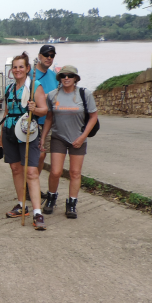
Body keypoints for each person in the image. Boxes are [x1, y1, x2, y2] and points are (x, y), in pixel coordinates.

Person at [0, 52, 49, 230]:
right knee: (15, 169)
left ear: (27, 68)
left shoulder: (34, 86)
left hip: (27, 133)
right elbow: (6, 113)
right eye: (15, 67)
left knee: (31, 172)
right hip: (10, 131)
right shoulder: (9, 88)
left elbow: (44, 110)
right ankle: (21, 205)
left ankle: (37, 212)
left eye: (21, 67)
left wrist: (36, 108)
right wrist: (0, 138)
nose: (17, 70)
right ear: (12, 70)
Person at [39, 65, 99, 219]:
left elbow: (93, 117)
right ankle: (51, 198)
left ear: (75, 79)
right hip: (59, 137)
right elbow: (49, 118)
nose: (66, 78)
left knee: (75, 172)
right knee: (55, 171)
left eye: (70, 76)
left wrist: (82, 137)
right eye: (63, 76)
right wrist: (42, 137)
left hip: (78, 138)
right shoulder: (52, 95)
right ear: (59, 78)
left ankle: (72, 203)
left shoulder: (84, 94)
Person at [33, 44, 58, 200]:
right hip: (31, 121)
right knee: (32, 155)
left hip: (48, 121)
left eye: (52, 55)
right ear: (39, 56)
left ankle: (32, 185)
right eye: (46, 55)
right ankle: (29, 184)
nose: (49, 58)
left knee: (42, 155)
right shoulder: (30, 74)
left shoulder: (54, 76)